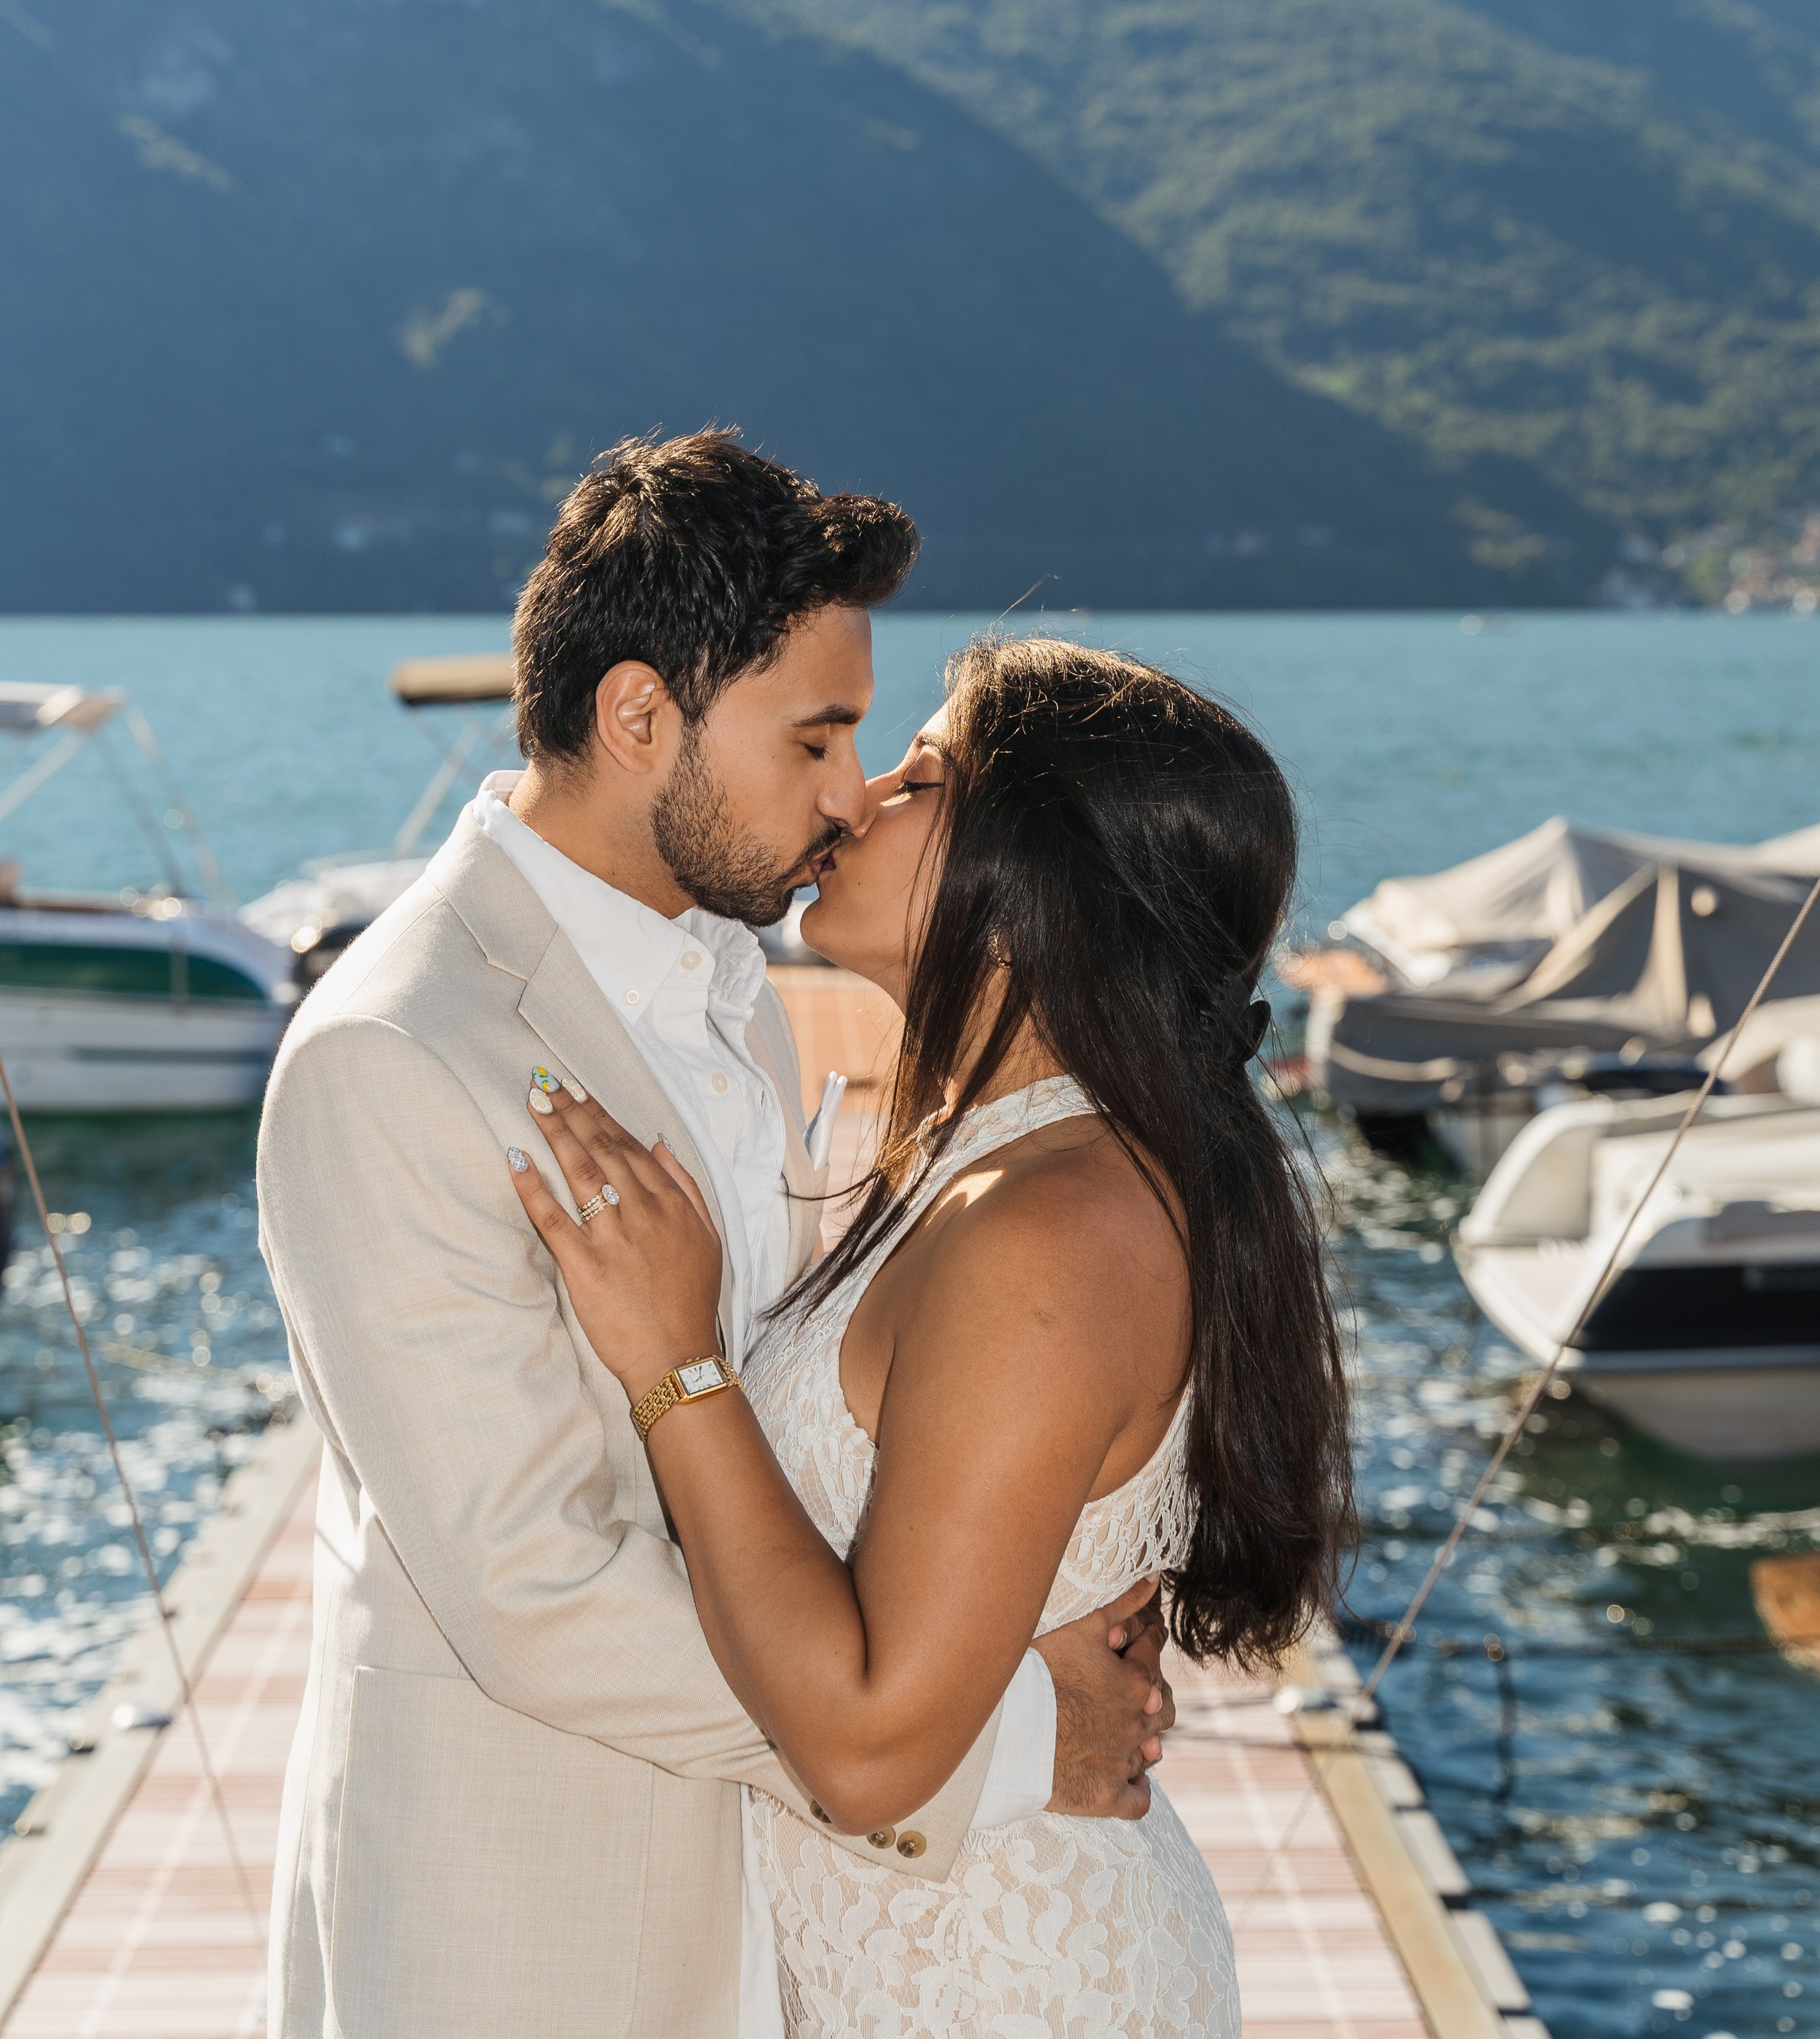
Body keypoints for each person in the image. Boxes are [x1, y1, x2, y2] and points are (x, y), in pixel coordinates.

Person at [258, 433, 1172, 2039]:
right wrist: (999, 1732)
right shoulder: (393, 1052)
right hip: (527, 1932)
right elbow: (531, 1582)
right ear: (637, 718)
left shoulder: (730, 977)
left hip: (797, 1928)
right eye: (814, 739)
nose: (848, 793)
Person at [515, 632, 1354, 2038]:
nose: (855, 797)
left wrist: (677, 1364)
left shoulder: (1055, 1229)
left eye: (925, 773)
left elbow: (869, 1744)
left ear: (1043, 891)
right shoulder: (989, 1167)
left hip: (1006, 1981)